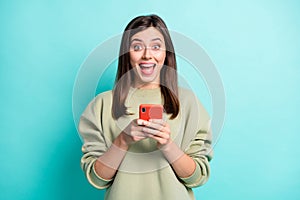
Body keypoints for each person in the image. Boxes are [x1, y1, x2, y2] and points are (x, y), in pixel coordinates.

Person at [79, 14, 213, 200]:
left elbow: (198, 177)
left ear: (166, 54)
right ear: (127, 54)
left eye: (156, 47)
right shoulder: (101, 105)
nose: (147, 55)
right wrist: (123, 141)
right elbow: (97, 179)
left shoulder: (189, 103)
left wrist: (167, 146)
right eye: (137, 47)